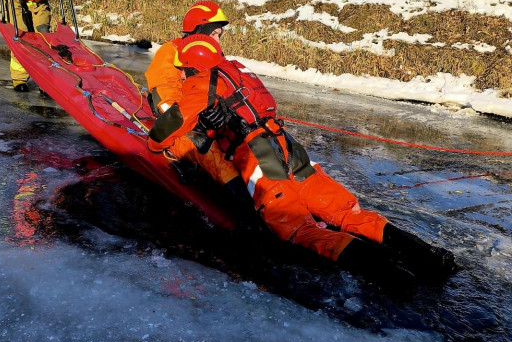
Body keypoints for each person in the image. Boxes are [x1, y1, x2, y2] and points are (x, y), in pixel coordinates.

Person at [147, 33, 458, 281]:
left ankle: (393, 279)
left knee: (295, 227)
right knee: (344, 211)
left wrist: (153, 145)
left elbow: (172, 125)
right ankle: (427, 257)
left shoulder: (202, 82)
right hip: (288, 148)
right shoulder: (238, 69)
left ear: (190, 66)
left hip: (259, 156)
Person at [145, 1, 245, 192]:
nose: (217, 41)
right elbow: (166, 102)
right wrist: (199, 120)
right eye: (214, 34)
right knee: (207, 149)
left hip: (212, 125)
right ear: (198, 31)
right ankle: (246, 204)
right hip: (183, 127)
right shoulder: (172, 51)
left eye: (219, 35)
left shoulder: (212, 55)